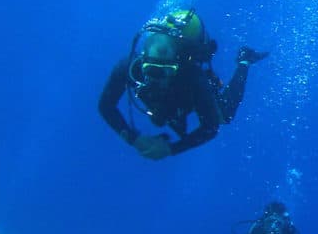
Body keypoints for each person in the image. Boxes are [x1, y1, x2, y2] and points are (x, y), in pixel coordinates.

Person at [98, 9, 266, 160]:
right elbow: (105, 105)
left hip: (186, 93)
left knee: (224, 115)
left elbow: (211, 127)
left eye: (165, 72)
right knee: (164, 117)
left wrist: (170, 149)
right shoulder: (129, 68)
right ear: (142, 62)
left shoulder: (193, 77)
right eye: (151, 70)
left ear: (177, 69)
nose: (157, 79)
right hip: (173, 100)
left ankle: (244, 60)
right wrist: (133, 139)